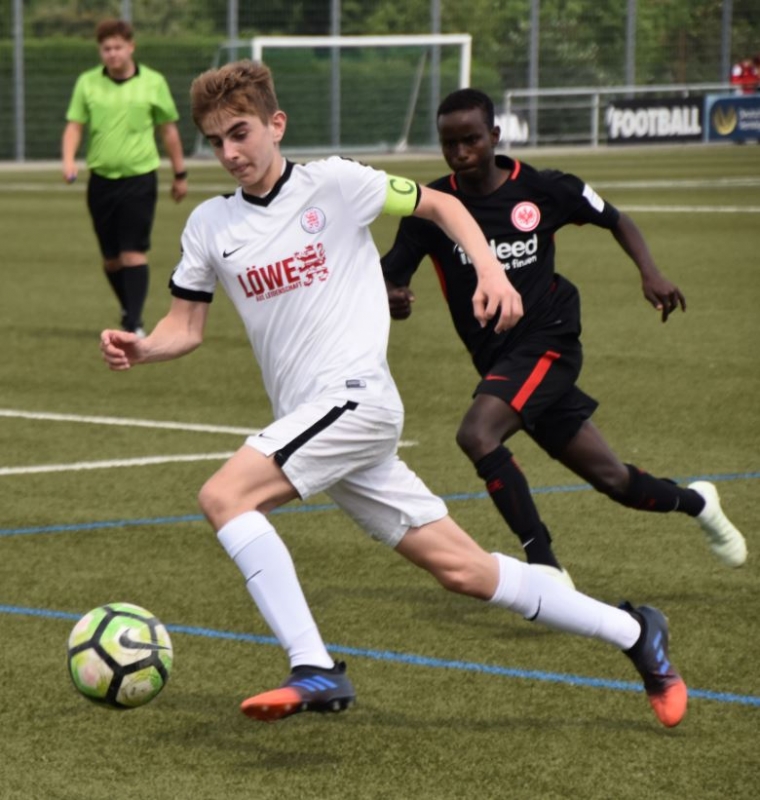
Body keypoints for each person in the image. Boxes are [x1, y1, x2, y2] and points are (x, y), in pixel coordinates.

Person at [100, 61, 688, 729]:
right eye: (215, 141)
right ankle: (637, 633)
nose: (229, 152)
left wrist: (490, 270)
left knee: (224, 497)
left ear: (276, 124)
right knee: (465, 571)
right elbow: (185, 326)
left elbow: (442, 205)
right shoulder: (210, 224)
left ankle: (312, 664)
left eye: (240, 133)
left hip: (357, 400)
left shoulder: (334, 182)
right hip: (318, 421)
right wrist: (144, 347)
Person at [382, 88, 747, 588]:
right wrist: (394, 299)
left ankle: (545, 566)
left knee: (477, 434)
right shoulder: (433, 208)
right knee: (614, 479)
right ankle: (699, 502)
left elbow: (614, 218)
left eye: (471, 140)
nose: (460, 152)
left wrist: (650, 273)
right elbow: (390, 278)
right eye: (450, 143)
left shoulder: (542, 188)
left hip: (549, 340)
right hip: (500, 362)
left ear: (495, 136)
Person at [62, 18, 188, 337]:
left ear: (131, 47)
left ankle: (134, 323)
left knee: (133, 252)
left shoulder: (154, 82)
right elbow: (75, 126)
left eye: (118, 47)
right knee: (111, 259)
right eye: (106, 48)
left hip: (139, 179)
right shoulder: (87, 83)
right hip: (101, 181)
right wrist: (68, 161)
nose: (112, 53)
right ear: (100, 51)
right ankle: (128, 309)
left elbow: (169, 130)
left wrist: (179, 173)